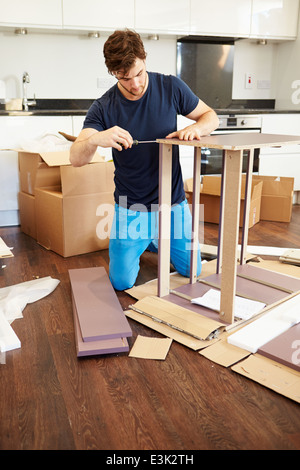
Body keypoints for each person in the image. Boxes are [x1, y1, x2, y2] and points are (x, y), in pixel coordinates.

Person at [70, 29, 219, 291]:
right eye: (125, 78)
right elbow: (76, 158)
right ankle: (148, 237)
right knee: (121, 282)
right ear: (113, 73)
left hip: (173, 203)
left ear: (144, 58)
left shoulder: (170, 86)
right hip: (131, 207)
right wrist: (96, 139)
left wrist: (196, 128)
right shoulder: (104, 106)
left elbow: (210, 116)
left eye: (139, 74)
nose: (135, 84)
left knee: (192, 271)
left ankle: (154, 238)